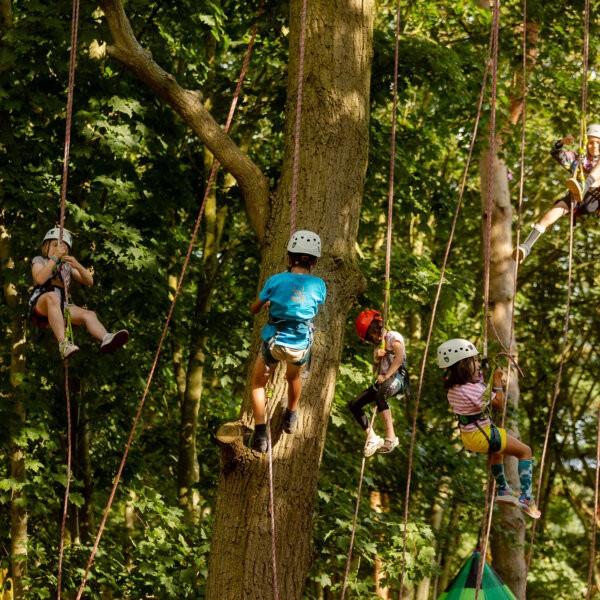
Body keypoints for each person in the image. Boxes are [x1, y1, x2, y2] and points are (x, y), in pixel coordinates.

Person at [437, 338, 541, 519]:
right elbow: (498, 403)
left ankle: (503, 490)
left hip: (470, 437)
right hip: (484, 435)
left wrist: (482, 373)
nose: (478, 364)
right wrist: (497, 380)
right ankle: (527, 497)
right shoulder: (472, 389)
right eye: (474, 361)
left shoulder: (454, 389)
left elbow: (477, 386)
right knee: (525, 452)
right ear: (463, 363)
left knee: (497, 453)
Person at [249, 230, 326, 453]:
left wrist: (267, 304)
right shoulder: (318, 285)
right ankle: (291, 416)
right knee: (293, 378)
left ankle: (261, 434)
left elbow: (254, 309)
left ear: (288, 258)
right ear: (315, 262)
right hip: (300, 346)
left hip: (274, 344)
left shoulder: (275, 280)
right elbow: (308, 304)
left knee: (258, 384)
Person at [29, 227, 129, 359]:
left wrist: (77, 265)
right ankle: (63, 343)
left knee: (89, 314)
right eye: (54, 245)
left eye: (62, 248)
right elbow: (40, 279)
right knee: (52, 297)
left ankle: (106, 337)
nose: (58, 249)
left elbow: (89, 281)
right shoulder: (40, 261)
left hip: (61, 305)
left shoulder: (66, 266)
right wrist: (54, 258)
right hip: (41, 304)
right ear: (46, 247)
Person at [515, 123, 600, 262]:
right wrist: (561, 142)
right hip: (578, 198)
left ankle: (585, 185)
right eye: (591, 142)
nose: (594, 146)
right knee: (557, 209)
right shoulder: (578, 160)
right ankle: (527, 245)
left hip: (595, 198)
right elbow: (555, 153)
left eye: (598, 142)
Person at [347, 309, 406, 457]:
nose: (373, 338)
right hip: (383, 380)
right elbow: (374, 370)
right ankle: (372, 436)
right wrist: (376, 359)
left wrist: (386, 377)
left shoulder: (393, 337)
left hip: (398, 377)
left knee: (380, 395)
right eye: (369, 337)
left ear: (376, 327)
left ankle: (391, 437)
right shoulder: (378, 346)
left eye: (371, 334)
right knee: (354, 404)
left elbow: (398, 359)